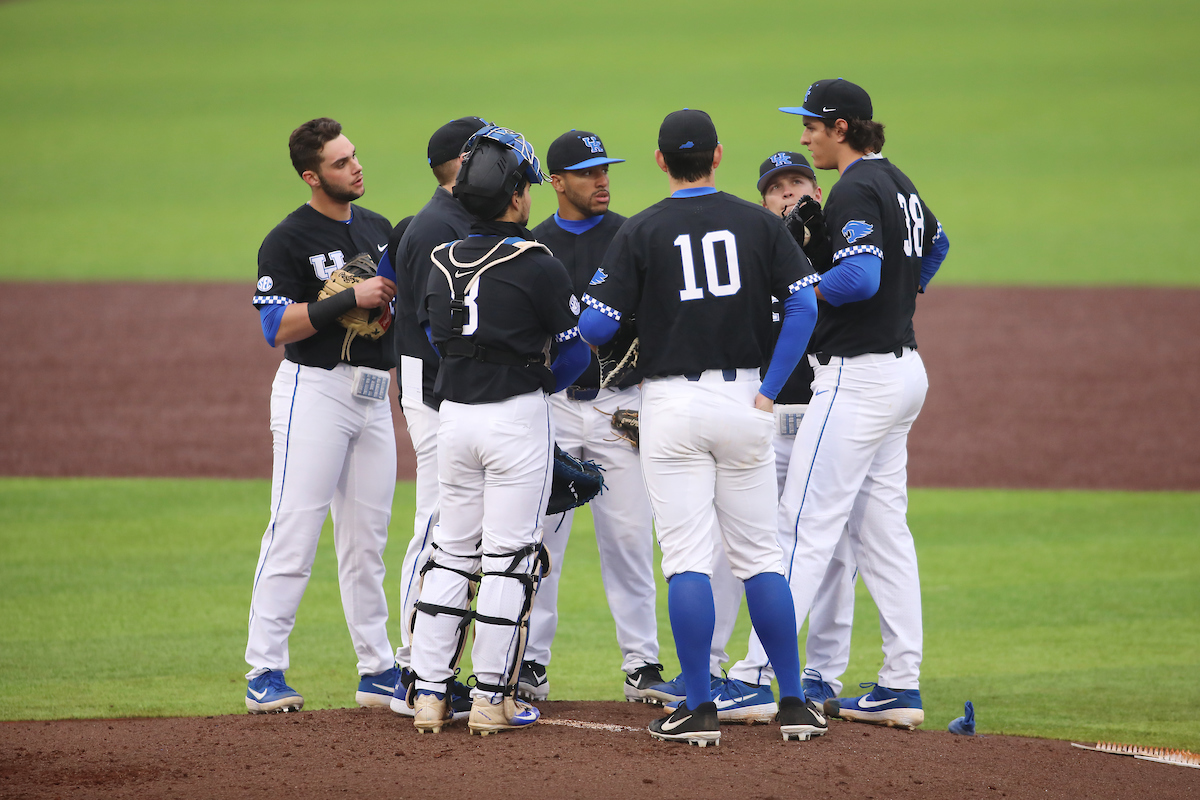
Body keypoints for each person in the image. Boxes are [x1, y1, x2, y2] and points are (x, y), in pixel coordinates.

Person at [579, 109, 826, 747]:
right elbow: (803, 302)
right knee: (760, 558)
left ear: (661, 162)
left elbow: (600, 328)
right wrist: (770, 389)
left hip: (672, 407)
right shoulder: (756, 222)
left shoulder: (639, 230)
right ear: (717, 157)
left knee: (688, 558)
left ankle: (698, 707)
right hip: (747, 402)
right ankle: (795, 705)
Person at [769, 78, 950, 729]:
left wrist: (802, 286)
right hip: (904, 373)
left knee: (802, 525)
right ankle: (901, 686)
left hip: (859, 379)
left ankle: (760, 677)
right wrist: (902, 301)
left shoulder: (852, 187)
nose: (804, 136)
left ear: (841, 127)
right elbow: (937, 245)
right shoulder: (896, 181)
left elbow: (858, 277)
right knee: (884, 533)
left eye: (811, 125)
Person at [407, 125, 591, 735]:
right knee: (510, 560)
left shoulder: (440, 260)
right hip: (514, 420)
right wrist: (537, 384)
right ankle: (491, 699)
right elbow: (574, 355)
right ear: (515, 196)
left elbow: (436, 340)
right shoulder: (538, 264)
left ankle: (430, 694)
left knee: (451, 552)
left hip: (453, 421)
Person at [245, 117, 399, 713]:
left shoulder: (380, 229)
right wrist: (346, 300)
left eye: (354, 156)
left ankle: (378, 669)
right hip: (314, 393)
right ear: (312, 176)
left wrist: (383, 315)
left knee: (368, 542)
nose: (355, 167)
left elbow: (392, 313)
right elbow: (274, 327)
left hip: (373, 397)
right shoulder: (287, 240)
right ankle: (265, 670)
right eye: (339, 162)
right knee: (294, 531)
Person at [518, 130, 663, 704]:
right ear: (556, 182)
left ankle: (643, 665)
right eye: (587, 172)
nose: (602, 180)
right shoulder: (530, 246)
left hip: (619, 408)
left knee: (628, 537)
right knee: (540, 540)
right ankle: (529, 662)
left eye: (605, 169)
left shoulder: (631, 236)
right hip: (549, 406)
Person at [380, 117, 488, 720]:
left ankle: (432, 667)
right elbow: (432, 326)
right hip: (434, 388)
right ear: (468, 159)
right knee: (438, 521)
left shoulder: (457, 219)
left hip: (449, 387)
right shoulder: (437, 226)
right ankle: (410, 667)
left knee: (457, 526)